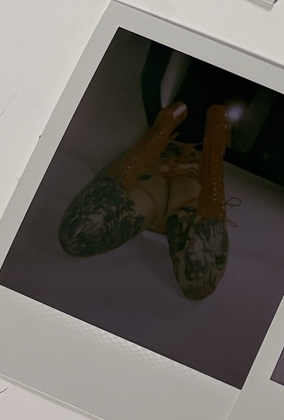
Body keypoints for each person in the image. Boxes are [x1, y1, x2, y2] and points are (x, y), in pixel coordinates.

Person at [57, 101, 231, 300]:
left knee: (200, 283)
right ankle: (153, 142)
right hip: (150, 186)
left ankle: (213, 160)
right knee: (75, 238)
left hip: (191, 196)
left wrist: (210, 160)